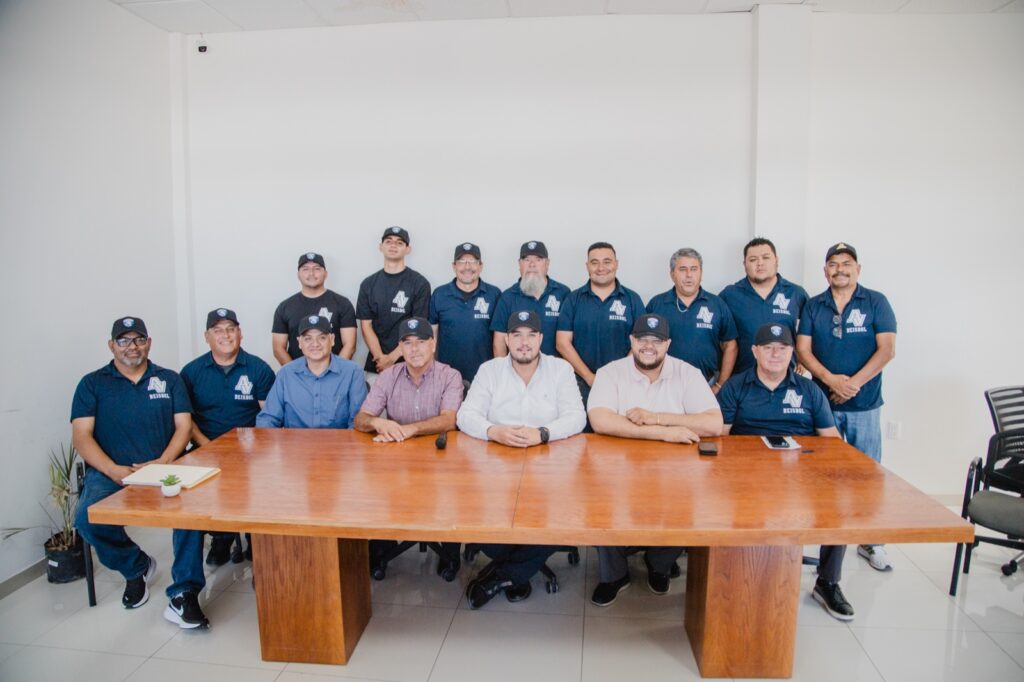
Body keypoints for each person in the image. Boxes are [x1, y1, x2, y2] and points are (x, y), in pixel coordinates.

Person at [71, 317, 209, 629]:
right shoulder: (92, 384)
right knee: (86, 519)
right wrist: (112, 470)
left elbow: (184, 426)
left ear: (149, 343)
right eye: (123, 340)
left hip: (166, 468)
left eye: (139, 339)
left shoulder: (169, 379)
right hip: (111, 472)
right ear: (111, 345)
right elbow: (81, 436)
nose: (132, 347)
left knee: (191, 515)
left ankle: (184, 592)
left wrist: (163, 462)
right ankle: (136, 567)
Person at [717, 323, 852, 621]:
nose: (775, 354)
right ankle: (730, 577)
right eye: (768, 348)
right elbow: (720, 439)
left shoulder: (809, 390)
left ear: (793, 352)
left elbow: (832, 443)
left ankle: (828, 582)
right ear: (755, 351)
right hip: (746, 477)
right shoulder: (736, 387)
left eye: (782, 348)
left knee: (837, 506)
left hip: (800, 476)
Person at [587, 314, 723, 605]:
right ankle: (615, 576)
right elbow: (600, 420)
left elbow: (713, 423)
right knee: (600, 503)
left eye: (656, 341)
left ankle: (658, 564)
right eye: (642, 339)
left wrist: (657, 417)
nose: (649, 346)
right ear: (632, 341)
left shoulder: (687, 373)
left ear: (668, 344)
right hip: (619, 470)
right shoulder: (610, 372)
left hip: (675, 472)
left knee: (693, 508)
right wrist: (662, 433)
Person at [456, 310, 586, 607]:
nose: (524, 342)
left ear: (541, 338)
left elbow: (577, 417)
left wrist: (543, 433)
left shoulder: (560, 369)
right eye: (516, 335)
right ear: (507, 339)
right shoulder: (490, 370)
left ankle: (502, 577)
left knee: (556, 522)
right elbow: (466, 415)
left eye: (531, 335)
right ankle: (518, 572)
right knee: (483, 521)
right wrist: (493, 431)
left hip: (549, 468)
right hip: (497, 467)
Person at [796, 242, 898, 572]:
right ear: (825, 271)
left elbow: (887, 350)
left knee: (866, 474)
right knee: (820, 473)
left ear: (857, 269)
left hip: (864, 404)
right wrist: (831, 381)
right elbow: (803, 349)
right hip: (822, 403)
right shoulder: (814, 305)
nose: (839, 269)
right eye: (833, 264)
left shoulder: (876, 302)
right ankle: (824, 535)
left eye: (846, 263)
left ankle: (872, 542)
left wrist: (852, 384)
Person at [354, 317, 465, 578]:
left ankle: (449, 555)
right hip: (397, 462)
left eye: (421, 342)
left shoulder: (450, 375)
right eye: (407, 343)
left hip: (440, 462)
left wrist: (411, 429)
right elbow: (360, 419)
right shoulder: (388, 376)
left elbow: (450, 420)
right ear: (400, 348)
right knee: (374, 489)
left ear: (433, 344)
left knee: (454, 492)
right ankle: (381, 552)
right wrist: (378, 422)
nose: (414, 349)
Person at [181, 308, 275, 565]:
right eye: (218, 330)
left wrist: (251, 449)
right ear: (207, 336)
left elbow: (269, 415)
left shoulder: (258, 368)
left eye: (231, 329)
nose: (226, 335)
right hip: (205, 448)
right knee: (188, 497)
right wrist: (209, 447)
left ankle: (256, 538)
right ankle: (220, 537)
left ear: (240, 334)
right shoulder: (191, 372)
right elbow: (185, 421)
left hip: (251, 451)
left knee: (266, 482)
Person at [556, 242, 645, 406]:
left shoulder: (633, 300)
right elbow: (562, 343)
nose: (601, 268)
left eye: (607, 262)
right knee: (580, 423)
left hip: (623, 383)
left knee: (621, 422)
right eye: (594, 262)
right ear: (587, 266)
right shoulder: (573, 299)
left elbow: (642, 342)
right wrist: (589, 377)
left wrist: (620, 376)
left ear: (616, 264)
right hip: (580, 384)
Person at [646, 247, 738, 393]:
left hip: (707, 385)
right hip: (663, 387)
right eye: (682, 269)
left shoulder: (717, 304)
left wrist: (720, 385)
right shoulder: (657, 304)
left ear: (701, 273)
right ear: (672, 274)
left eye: (694, 269)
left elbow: (730, 345)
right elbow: (643, 345)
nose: (689, 275)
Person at [256, 315, 366, 428]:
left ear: (332, 340)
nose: (315, 344)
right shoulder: (286, 373)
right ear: (299, 342)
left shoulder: (353, 372)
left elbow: (357, 421)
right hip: (294, 439)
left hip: (339, 439)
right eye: (308, 339)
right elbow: (268, 418)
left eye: (322, 338)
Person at [719, 238, 808, 375]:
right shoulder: (729, 295)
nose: (760, 263)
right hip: (742, 379)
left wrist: (804, 361)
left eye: (766, 258)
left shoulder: (796, 293)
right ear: (744, 264)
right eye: (753, 259)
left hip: (785, 378)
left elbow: (812, 333)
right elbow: (716, 338)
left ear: (776, 260)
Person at [357, 227, 431, 377]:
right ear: (381, 247)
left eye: (399, 243)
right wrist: (381, 359)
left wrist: (391, 358)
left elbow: (417, 327)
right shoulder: (368, 284)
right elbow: (366, 326)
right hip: (376, 365)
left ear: (408, 249)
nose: (393, 245)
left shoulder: (419, 283)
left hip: (409, 365)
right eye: (388, 241)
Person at [428, 242, 501, 383]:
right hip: (446, 378)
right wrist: (432, 373)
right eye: (461, 262)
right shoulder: (439, 294)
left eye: (473, 261)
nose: (467, 267)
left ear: (481, 266)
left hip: (485, 378)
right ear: (454, 266)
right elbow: (432, 338)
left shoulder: (494, 294)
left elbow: (500, 339)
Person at [271, 252, 357, 365]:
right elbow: (278, 348)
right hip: (297, 373)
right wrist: (294, 373)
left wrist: (336, 372)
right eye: (305, 269)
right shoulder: (284, 307)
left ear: (325, 274)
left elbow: (350, 345)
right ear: (298, 275)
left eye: (317, 269)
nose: (311, 273)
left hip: (336, 372)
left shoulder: (342, 303)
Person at [490, 241, 570, 358]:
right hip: (517, 368)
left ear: (547, 263)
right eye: (526, 259)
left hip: (555, 369)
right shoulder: (507, 297)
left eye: (538, 259)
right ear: (519, 264)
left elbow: (569, 340)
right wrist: (502, 369)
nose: (532, 264)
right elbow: (499, 343)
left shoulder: (563, 293)